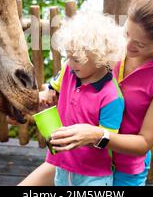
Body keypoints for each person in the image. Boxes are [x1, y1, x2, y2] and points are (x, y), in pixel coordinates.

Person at [19, 0, 153, 186]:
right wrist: (48, 94)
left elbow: (144, 142)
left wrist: (96, 135)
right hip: (79, 158)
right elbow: (72, 76)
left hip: (124, 169)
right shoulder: (109, 42)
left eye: (139, 44)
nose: (126, 47)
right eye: (127, 33)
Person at [39, 11, 126, 186]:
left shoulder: (112, 98)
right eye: (68, 56)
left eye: (76, 58)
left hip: (93, 175)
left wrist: (87, 136)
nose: (70, 63)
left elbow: (107, 140)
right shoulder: (68, 71)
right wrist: (48, 90)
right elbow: (53, 86)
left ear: (101, 56)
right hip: (62, 166)